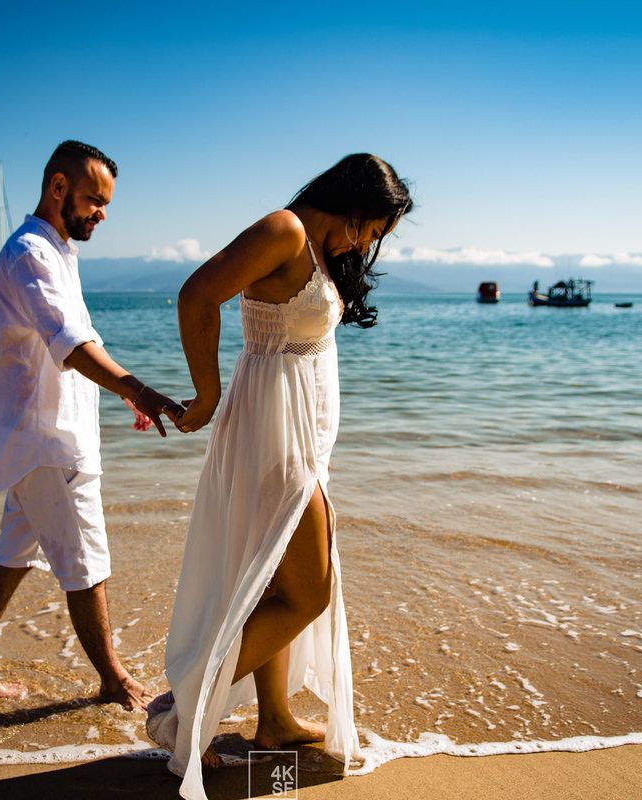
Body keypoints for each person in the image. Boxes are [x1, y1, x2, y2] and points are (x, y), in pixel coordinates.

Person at [147, 154, 413, 798]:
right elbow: (196, 294)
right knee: (308, 592)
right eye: (372, 229)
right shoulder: (285, 230)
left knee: (273, 581)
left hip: (299, 434)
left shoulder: (318, 247)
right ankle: (184, 712)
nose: (368, 245)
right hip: (273, 435)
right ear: (354, 205)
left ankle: (274, 722)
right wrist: (207, 393)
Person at [0, 140, 184, 710]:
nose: (101, 213)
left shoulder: (57, 251)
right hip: (48, 442)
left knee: (13, 555)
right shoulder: (30, 252)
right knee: (87, 563)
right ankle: (115, 680)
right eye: (94, 200)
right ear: (58, 187)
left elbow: (77, 343)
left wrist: (121, 393)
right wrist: (140, 390)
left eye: (105, 204)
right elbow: (71, 344)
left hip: (40, 438)